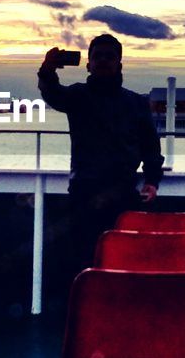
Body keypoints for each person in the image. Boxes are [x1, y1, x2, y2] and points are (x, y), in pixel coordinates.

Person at [38, 34, 164, 288]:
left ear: (120, 63)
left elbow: (151, 146)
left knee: (123, 257)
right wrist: (48, 68)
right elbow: (52, 93)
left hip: (124, 192)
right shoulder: (78, 96)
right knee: (82, 258)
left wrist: (151, 180)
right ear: (88, 64)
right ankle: (84, 308)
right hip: (84, 191)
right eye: (98, 56)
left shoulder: (136, 102)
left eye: (109, 56)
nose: (103, 61)